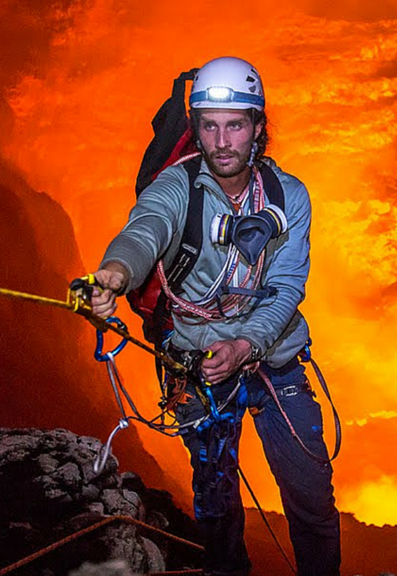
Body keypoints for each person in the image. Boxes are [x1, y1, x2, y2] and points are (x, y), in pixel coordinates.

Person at [89, 56, 340, 576]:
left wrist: (245, 345)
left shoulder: (288, 196)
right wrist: (115, 272)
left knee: (309, 494)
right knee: (215, 498)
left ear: (258, 129)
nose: (223, 140)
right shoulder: (177, 188)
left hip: (273, 355)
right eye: (210, 125)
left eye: (236, 125)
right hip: (197, 360)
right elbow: (147, 229)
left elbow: (287, 284)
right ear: (197, 130)